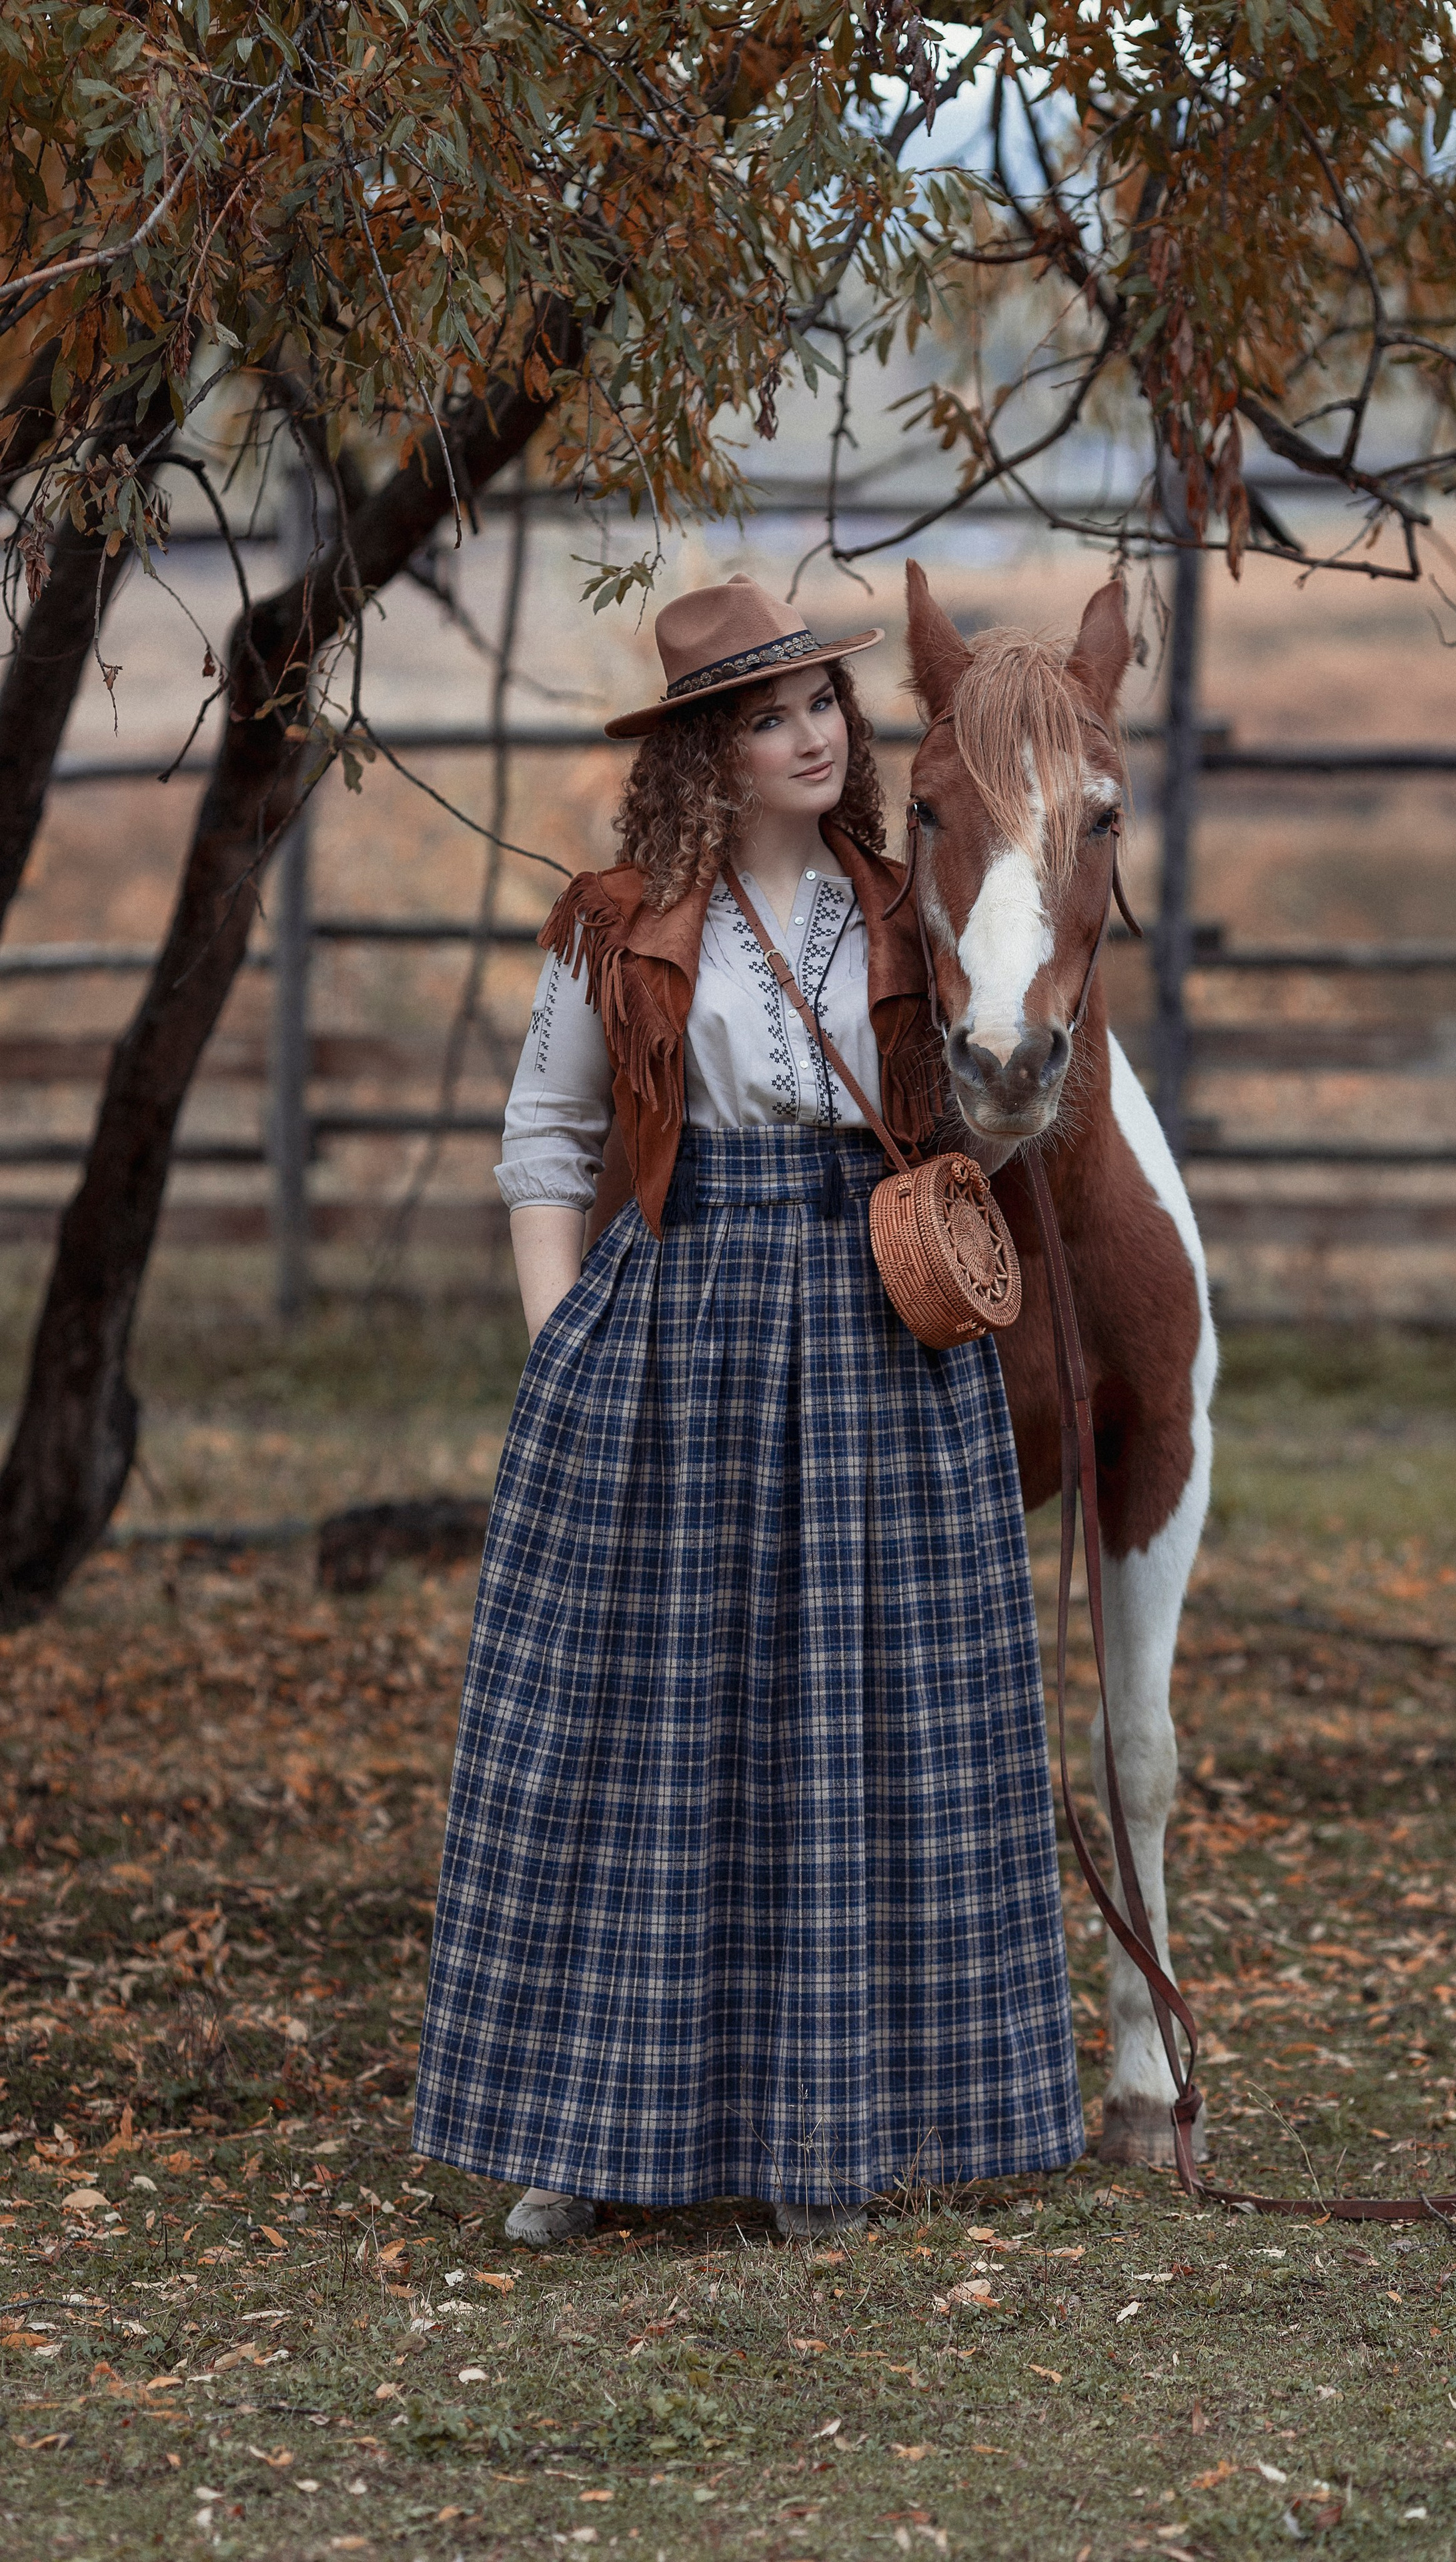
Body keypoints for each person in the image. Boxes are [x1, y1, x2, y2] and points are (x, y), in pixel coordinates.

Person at [411, 574, 1082, 2243]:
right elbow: (545, 1150)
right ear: (703, 753)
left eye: (823, 709)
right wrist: (563, 1349)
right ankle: (578, 2139)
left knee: (861, 1737)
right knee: (633, 1736)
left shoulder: (898, 907)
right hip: (675, 1324)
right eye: (765, 717)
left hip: (873, 1331)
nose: (807, 736)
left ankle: (824, 2141)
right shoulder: (619, 918)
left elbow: (981, 1112)